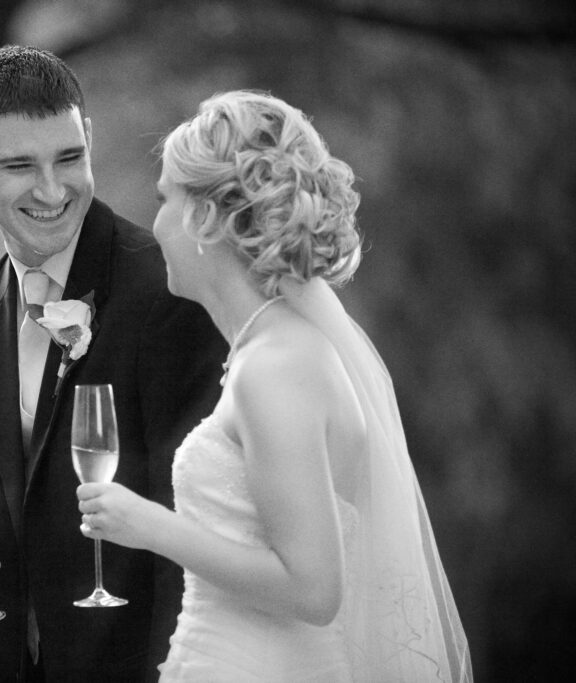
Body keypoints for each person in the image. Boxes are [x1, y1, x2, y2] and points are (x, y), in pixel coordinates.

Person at [76, 90, 472, 681]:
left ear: (207, 217)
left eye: (165, 200)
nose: (154, 221)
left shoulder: (277, 366)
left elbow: (314, 591)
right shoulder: (271, 351)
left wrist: (151, 527)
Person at [0, 46, 227, 681]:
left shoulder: (169, 297)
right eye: (18, 165)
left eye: (70, 157)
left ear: (88, 137)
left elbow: (208, 528)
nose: (52, 190)